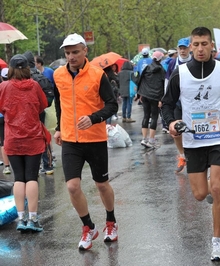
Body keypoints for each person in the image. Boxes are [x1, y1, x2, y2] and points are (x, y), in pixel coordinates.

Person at [161, 27, 220, 261]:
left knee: (218, 188)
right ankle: (209, 187)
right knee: (200, 194)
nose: (200, 49)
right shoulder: (180, 74)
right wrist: (171, 122)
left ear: (212, 47)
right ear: (190, 47)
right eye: (196, 44)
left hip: (219, 137)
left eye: (204, 44)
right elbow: (167, 105)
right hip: (192, 139)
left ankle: (217, 241)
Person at [53, 33, 119, 250]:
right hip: (71, 140)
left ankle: (110, 221)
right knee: (72, 186)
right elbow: (60, 105)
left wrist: (93, 118)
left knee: (101, 184)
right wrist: (59, 129)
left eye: (75, 52)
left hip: (95, 138)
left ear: (85, 51)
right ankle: (88, 227)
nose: (71, 57)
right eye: (67, 53)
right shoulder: (58, 75)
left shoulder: (98, 75)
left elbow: (112, 105)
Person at [0, 54, 49, 232]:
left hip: (12, 138)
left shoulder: (3, 87)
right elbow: (43, 105)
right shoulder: (34, 86)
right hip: (33, 138)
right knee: (32, 177)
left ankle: (21, 218)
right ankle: (33, 219)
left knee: (19, 178)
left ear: (11, 69)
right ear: (27, 68)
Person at [165, 37, 192, 173]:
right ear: (177, 49)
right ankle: (182, 156)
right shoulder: (172, 64)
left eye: (185, 48)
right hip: (177, 102)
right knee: (176, 131)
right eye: (180, 48)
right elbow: (167, 82)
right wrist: (164, 100)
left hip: (192, 103)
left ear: (189, 49)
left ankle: (197, 157)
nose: (182, 50)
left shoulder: (195, 62)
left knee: (193, 129)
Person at [137, 51, 165, 148]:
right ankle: (151, 140)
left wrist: (139, 94)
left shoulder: (147, 68)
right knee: (154, 117)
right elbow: (162, 86)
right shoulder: (161, 70)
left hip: (144, 95)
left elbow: (140, 80)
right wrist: (161, 99)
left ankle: (144, 139)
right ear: (160, 59)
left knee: (146, 116)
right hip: (155, 97)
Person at [0, 68, 11, 174]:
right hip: (10, 116)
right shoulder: (13, 86)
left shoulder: (1, 86)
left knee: (3, 141)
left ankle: (7, 166)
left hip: (0, 116)